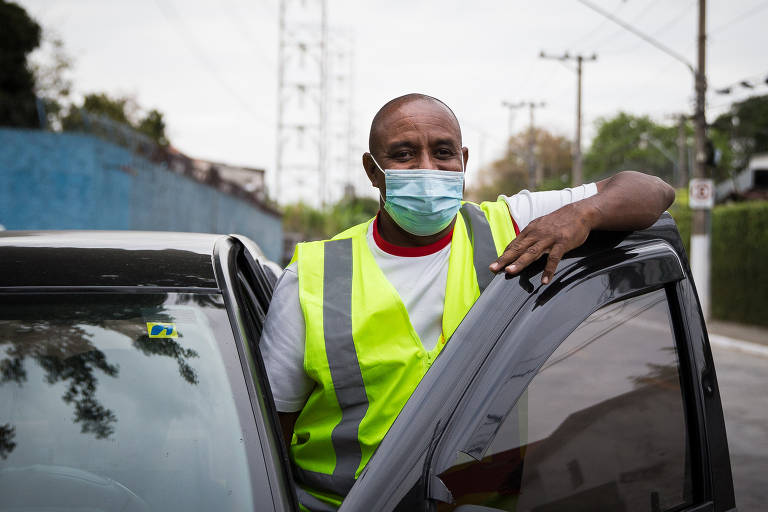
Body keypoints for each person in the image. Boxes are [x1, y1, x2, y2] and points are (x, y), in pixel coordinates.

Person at [261, 93, 675, 510]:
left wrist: (581, 215)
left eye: (443, 153)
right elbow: (267, 435)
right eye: (404, 155)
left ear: (463, 160)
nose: (427, 168)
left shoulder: (512, 223)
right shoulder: (311, 277)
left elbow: (653, 191)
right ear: (373, 170)